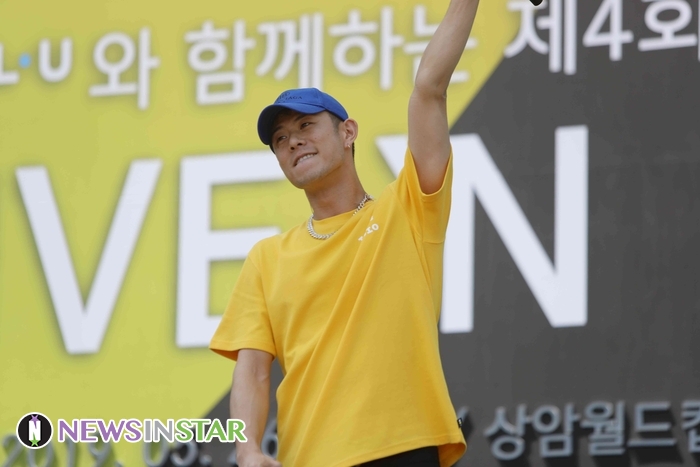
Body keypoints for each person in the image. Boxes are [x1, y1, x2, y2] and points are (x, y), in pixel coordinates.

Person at [209, 0, 480, 465]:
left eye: (306, 125)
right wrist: (248, 448)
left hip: (405, 446)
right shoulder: (267, 257)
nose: (292, 141)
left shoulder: (407, 211)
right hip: (309, 457)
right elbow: (252, 371)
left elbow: (429, 89)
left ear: (348, 132)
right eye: (280, 139)